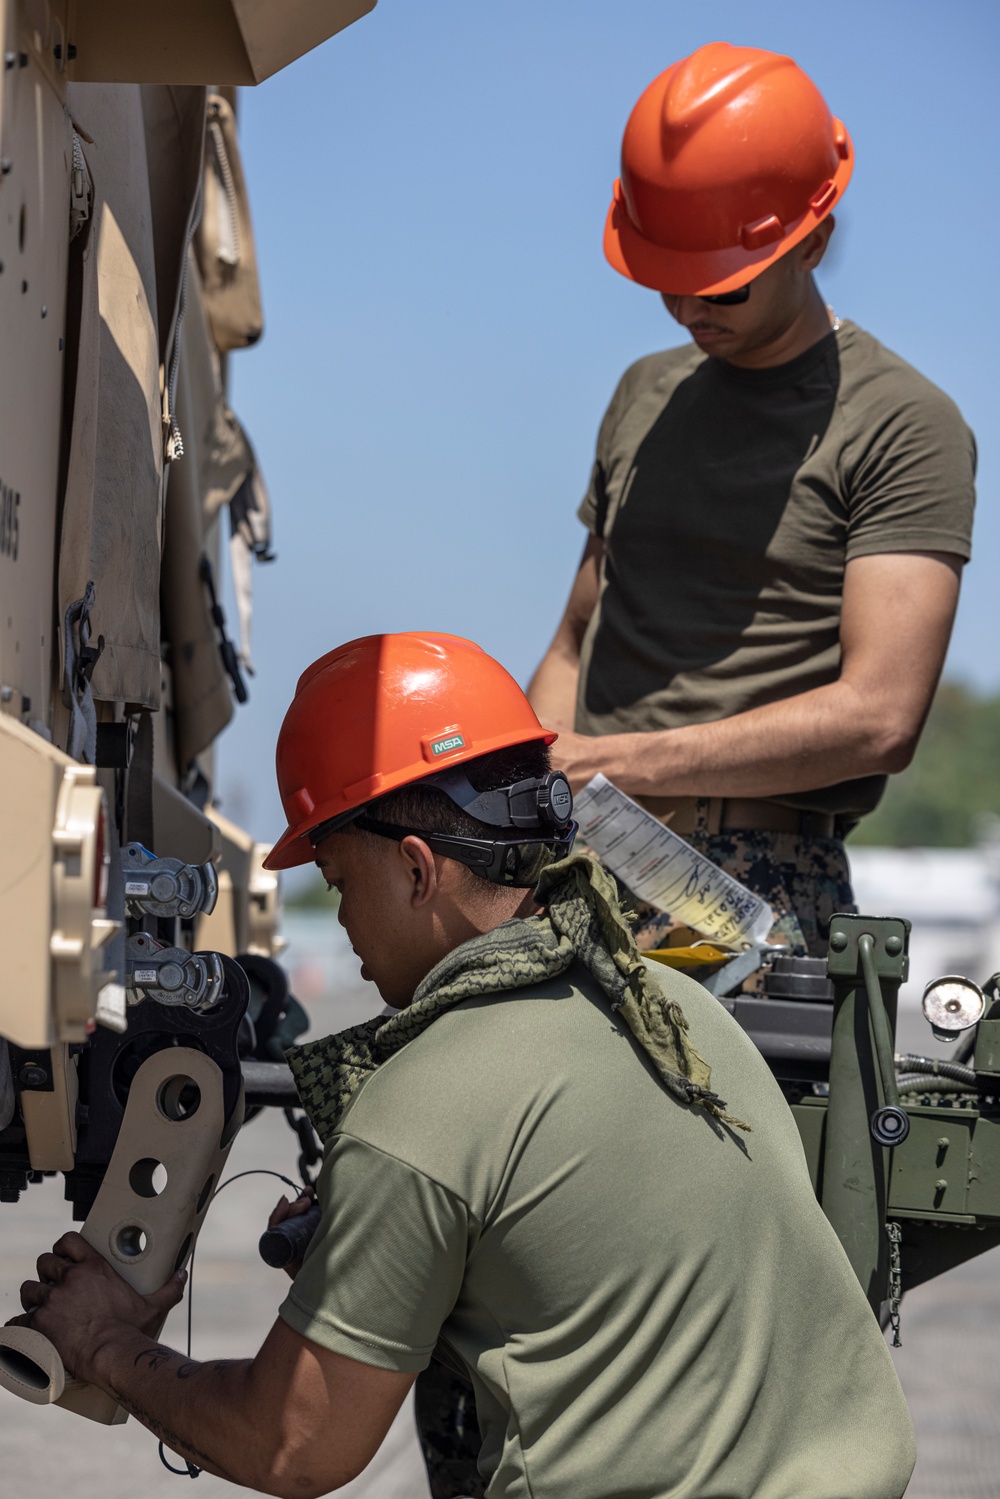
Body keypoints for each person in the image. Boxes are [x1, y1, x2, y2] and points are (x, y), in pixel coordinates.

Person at [14, 632, 916, 1498]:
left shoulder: (427, 1101)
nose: (349, 930)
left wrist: (102, 1343)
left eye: (339, 884)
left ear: (416, 868)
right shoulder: (676, 1009)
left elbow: (291, 1444)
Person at [528, 41, 976, 957]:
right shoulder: (643, 395)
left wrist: (611, 765)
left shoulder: (901, 421)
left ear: (813, 239)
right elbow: (577, 640)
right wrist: (531, 793)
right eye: (666, 284)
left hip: (754, 879)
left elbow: (879, 717)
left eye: (721, 286)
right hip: (583, 856)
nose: (691, 313)